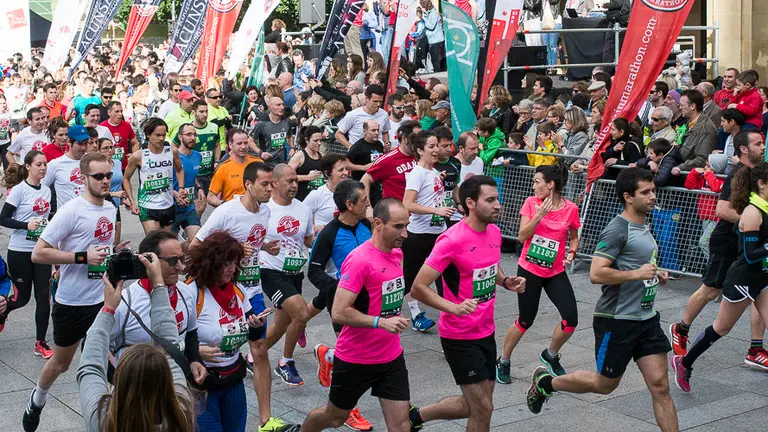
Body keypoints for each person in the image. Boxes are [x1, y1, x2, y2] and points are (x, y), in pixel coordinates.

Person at [525, 167, 678, 431]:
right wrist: (636, 274)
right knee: (604, 385)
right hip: (616, 320)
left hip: (646, 318)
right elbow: (596, 273)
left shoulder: (643, 224)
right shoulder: (617, 229)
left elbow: (638, 263)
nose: (653, 196)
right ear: (628, 197)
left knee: (661, 386)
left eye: (653, 190)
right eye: (646, 192)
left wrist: (653, 273)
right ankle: (546, 383)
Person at [409, 175, 526, 431]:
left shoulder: (494, 232)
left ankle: (415, 417)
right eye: (491, 200)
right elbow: (418, 287)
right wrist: (453, 307)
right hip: (459, 335)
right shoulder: (451, 240)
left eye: (498, 199)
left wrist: (506, 281)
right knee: (483, 409)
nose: (498, 205)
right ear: (470, 203)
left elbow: (489, 269)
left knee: (473, 406)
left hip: (486, 330)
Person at [190, 162, 291, 431]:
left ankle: (266, 420)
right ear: (249, 185)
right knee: (221, 350)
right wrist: (233, 250)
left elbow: (254, 244)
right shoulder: (226, 212)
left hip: (253, 289)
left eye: (272, 183)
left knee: (260, 349)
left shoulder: (266, 210)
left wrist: (265, 247)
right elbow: (196, 246)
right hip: (224, 293)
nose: (271, 189)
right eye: (265, 184)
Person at [24, 153, 119, 432]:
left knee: (108, 361)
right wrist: (81, 257)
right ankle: (37, 400)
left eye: (108, 175)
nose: (104, 181)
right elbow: (38, 253)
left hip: (102, 299)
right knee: (61, 363)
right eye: (98, 176)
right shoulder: (71, 210)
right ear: (83, 178)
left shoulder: (110, 208)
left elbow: (101, 246)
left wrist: (115, 253)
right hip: (72, 301)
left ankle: (115, 416)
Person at [300, 198, 411, 432]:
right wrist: (380, 322)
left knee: (402, 425)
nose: (406, 234)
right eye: (399, 227)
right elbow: (339, 312)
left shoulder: (397, 255)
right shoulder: (360, 260)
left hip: (391, 357)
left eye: (407, 226)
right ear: (378, 224)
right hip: (356, 359)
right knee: (334, 417)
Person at [669, 130, 768, 369]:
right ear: (743, 149)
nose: (763, 147)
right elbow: (722, 210)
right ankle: (681, 327)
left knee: (760, 291)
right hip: (727, 242)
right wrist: (753, 224)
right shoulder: (739, 173)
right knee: (710, 291)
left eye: (763, 142)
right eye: (757, 143)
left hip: (748, 244)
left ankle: (756, 348)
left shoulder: (758, 173)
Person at [76, 252, 196, 432]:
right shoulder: (181, 414)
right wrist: (159, 284)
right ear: (166, 380)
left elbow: (90, 367)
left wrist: (108, 308)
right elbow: (170, 347)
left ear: (120, 379)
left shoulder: (102, 420)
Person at [497, 164, 580, 383]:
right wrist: (539, 216)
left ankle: (550, 355)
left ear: (550, 184)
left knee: (571, 319)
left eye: (537, 181)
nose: (534, 185)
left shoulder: (570, 208)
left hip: (554, 271)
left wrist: (572, 252)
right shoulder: (531, 203)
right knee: (525, 320)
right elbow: (522, 236)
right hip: (529, 269)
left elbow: (573, 235)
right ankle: (503, 360)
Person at [185, 231, 275, 432]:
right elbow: (170, 340)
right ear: (211, 262)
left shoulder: (237, 290)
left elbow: (251, 335)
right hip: (203, 384)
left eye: (235, 263)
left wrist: (256, 326)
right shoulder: (191, 293)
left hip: (233, 378)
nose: (232, 269)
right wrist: (195, 351)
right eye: (226, 264)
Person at [107, 231, 204, 381]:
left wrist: (195, 360)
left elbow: (190, 333)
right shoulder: (125, 301)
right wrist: (121, 381)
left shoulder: (185, 291)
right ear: (148, 260)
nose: (180, 267)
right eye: (172, 261)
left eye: (181, 258)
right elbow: (96, 346)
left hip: (174, 387)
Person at [260, 165, 315, 386]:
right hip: (270, 271)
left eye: (296, 181)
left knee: (283, 324)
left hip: (295, 272)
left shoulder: (304, 209)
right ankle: (285, 362)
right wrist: (264, 246)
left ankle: (252, 356)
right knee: (301, 314)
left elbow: (308, 241)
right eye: (289, 181)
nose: (294, 185)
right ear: (274, 183)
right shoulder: (264, 210)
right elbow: (250, 238)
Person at [0, 151, 53, 357]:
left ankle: (40, 342)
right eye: (39, 164)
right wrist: (26, 224)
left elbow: (49, 217)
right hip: (20, 251)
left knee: (43, 296)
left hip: (41, 251)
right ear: (28, 166)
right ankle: (2, 313)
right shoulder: (19, 191)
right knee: (21, 298)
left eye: (45, 164)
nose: (43, 168)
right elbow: (3, 218)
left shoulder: (47, 190)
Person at [402, 131, 453, 332]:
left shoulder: (433, 172)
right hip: (419, 236)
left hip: (438, 233)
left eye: (436, 146)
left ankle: (450, 324)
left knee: (444, 279)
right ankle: (381, 318)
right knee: (408, 281)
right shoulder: (417, 173)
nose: (435, 150)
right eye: (430, 147)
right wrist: (436, 210)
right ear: (420, 150)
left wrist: (447, 207)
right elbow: (407, 204)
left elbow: (431, 198)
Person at [123, 118, 187, 233]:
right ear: (148, 135)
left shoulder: (172, 151)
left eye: (163, 135)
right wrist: (132, 202)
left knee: (166, 242)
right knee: (154, 241)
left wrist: (181, 187)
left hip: (168, 204)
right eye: (157, 135)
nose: (161, 138)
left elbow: (179, 170)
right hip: (147, 206)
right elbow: (126, 179)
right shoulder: (138, 156)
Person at [175, 99, 221, 214]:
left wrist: (217, 161)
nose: (205, 115)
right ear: (194, 112)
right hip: (195, 174)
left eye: (206, 111)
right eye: (201, 112)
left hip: (209, 173)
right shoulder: (187, 129)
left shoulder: (214, 127)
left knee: (205, 203)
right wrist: (181, 163)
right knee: (199, 206)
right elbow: (173, 147)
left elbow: (217, 145)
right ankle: (192, 227)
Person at [361, 120, 420, 201]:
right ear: (404, 139)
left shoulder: (422, 156)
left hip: (420, 210)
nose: (420, 142)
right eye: (416, 138)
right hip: (396, 211)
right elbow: (365, 179)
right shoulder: (388, 160)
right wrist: (368, 207)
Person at [207, 128, 263, 207]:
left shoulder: (259, 163)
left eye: (245, 143)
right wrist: (225, 205)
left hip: (256, 212)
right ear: (230, 145)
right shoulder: (223, 167)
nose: (243, 147)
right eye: (239, 143)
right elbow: (210, 197)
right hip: (232, 214)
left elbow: (270, 188)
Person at [43, 126, 90, 209]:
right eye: (79, 144)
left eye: (85, 143)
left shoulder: (91, 161)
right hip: (67, 217)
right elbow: (42, 186)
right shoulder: (56, 164)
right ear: (69, 142)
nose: (83, 148)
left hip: (88, 213)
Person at [171, 124, 203, 243]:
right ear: (180, 137)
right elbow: (165, 181)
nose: (192, 138)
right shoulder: (172, 157)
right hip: (171, 208)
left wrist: (199, 188)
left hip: (188, 208)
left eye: (194, 134)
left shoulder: (197, 156)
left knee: (197, 243)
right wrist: (175, 193)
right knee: (172, 250)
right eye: (189, 134)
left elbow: (192, 176)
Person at [336, 84, 390, 149]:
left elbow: (385, 132)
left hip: (377, 154)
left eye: (380, 102)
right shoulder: (353, 114)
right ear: (367, 98)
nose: (378, 104)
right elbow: (338, 134)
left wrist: (386, 143)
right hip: (358, 156)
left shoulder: (384, 114)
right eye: (375, 101)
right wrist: (351, 147)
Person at [304, 155, 350, 231]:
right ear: (327, 173)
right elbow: (301, 216)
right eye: (341, 170)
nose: (345, 172)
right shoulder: (317, 195)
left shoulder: (352, 192)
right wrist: (315, 228)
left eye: (346, 169)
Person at [96, 138, 127, 245]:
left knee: (116, 241)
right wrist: (114, 194)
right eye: (105, 148)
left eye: (111, 147)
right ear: (98, 150)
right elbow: (95, 189)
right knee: (103, 239)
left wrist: (124, 198)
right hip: (101, 204)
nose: (109, 150)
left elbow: (119, 183)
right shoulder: (96, 166)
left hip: (115, 205)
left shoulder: (117, 163)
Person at [250, 97, 295, 166]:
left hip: (282, 162)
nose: (282, 107)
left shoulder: (286, 121)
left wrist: (292, 148)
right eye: (278, 105)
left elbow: (290, 136)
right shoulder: (262, 123)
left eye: (283, 104)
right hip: (267, 163)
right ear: (270, 107)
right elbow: (250, 141)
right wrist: (260, 153)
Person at [99, 101, 138, 171]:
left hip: (124, 166)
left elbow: (135, 143)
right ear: (109, 112)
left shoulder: (126, 125)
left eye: (121, 111)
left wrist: (133, 156)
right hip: (106, 166)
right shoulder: (102, 126)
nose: (120, 114)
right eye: (117, 111)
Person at [289, 125, 324, 201]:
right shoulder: (299, 156)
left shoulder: (320, 155)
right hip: (301, 199)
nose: (319, 143)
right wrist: (307, 177)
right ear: (307, 140)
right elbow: (287, 176)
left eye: (321, 140)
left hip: (317, 199)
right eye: (315, 141)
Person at [422, 0, 445, 72]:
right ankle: (437, 72)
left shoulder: (434, 13)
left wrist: (423, 18)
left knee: (435, 59)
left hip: (437, 40)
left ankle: (438, 74)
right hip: (431, 40)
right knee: (433, 59)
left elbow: (431, 26)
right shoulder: (428, 13)